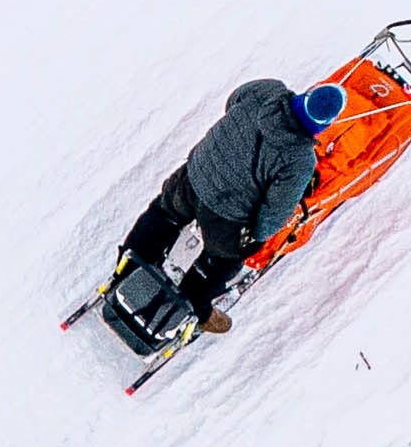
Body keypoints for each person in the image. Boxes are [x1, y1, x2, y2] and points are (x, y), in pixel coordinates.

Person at [116, 78, 344, 334]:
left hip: (194, 173)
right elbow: (274, 211)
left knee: (163, 214)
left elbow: (233, 101)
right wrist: (256, 238)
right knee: (223, 260)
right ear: (323, 126)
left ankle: (126, 267)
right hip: (225, 213)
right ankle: (196, 308)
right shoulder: (300, 160)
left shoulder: (268, 90)